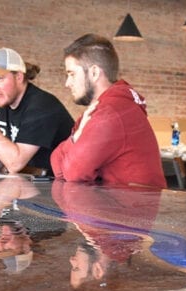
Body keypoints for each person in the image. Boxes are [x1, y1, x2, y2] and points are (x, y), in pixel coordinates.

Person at [50, 34, 166, 188]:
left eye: (71, 74)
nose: (67, 83)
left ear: (94, 73)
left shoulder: (110, 112)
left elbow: (73, 173)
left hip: (128, 209)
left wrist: (71, 146)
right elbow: (56, 166)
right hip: (121, 206)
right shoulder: (105, 109)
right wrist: (75, 138)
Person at [0, 47, 75, 174]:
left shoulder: (41, 106)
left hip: (69, 185)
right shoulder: (1, 106)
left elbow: (14, 164)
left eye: (0, 78)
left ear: (19, 77)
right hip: (36, 183)